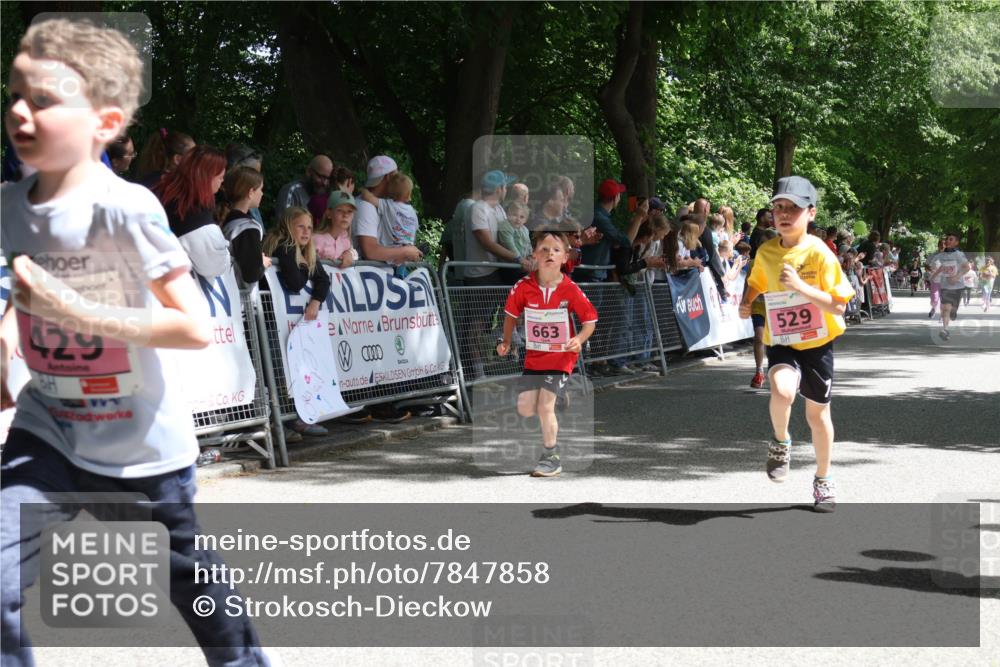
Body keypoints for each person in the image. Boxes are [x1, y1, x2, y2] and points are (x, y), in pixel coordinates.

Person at [0, 17, 274, 666]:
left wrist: (77, 310)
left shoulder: (126, 207)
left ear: (104, 121)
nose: (19, 110)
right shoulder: (10, 205)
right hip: (50, 431)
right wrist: (9, 331)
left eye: (43, 99)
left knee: (196, 588)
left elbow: (191, 325)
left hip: (140, 449)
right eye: (14, 93)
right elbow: (23, 290)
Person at [738, 176, 855, 513]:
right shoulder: (767, 250)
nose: (784, 214)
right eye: (779, 208)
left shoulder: (820, 253)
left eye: (793, 208)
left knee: (817, 416)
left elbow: (838, 305)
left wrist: (802, 288)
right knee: (782, 391)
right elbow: (756, 281)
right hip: (783, 339)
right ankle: (780, 441)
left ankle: (823, 478)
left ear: (811, 213)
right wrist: (747, 302)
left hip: (818, 342)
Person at [496, 230, 597, 477]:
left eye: (555, 250)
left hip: (562, 356)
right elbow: (510, 316)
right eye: (544, 249)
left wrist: (579, 339)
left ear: (565, 257)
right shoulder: (523, 287)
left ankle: (551, 456)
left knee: (544, 406)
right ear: (534, 255)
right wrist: (506, 341)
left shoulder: (570, 289)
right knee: (525, 407)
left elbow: (590, 320)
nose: (549, 253)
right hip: (535, 356)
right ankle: (561, 395)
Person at [263, 207, 332, 436]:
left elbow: (323, 279)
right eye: (300, 226)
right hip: (270, 320)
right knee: (277, 369)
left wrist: (315, 302)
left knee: (292, 368)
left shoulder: (306, 251)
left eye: (310, 227)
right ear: (288, 226)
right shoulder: (285, 246)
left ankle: (298, 417)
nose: (306, 232)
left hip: (289, 323)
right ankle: (281, 423)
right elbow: (294, 282)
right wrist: (303, 264)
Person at [153, 146, 231, 279]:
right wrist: (227, 252)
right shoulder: (191, 212)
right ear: (207, 177)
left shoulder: (161, 190)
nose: (222, 181)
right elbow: (212, 265)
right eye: (221, 177)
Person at [353, 155, 422, 267]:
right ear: (388, 177)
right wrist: (406, 251)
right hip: (369, 277)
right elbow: (370, 252)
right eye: (396, 175)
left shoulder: (382, 205)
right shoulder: (366, 207)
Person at [219, 165, 271, 286]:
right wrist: (262, 262)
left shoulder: (226, 220)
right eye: (260, 189)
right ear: (251, 192)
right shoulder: (248, 227)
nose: (262, 194)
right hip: (240, 298)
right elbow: (251, 273)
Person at [747, 228, 779, 389]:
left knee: (776, 343)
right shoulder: (753, 263)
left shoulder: (782, 262)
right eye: (761, 244)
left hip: (777, 306)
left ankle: (777, 370)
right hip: (759, 306)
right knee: (759, 337)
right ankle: (759, 371)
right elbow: (748, 285)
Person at [927, 232, 972, 340]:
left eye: (951, 239)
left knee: (952, 310)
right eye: (947, 239)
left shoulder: (958, 254)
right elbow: (937, 266)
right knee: (946, 308)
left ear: (956, 243)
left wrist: (957, 277)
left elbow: (967, 267)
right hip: (945, 286)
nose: (947, 241)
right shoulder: (941, 255)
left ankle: (954, 312)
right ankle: (945, 330)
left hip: (958, 286)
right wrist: (934, 275)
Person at [358, 171, 419, 247]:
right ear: (409, 194)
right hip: (408, 250)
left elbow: (369, 198)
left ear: (390, 192)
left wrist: (364, 190)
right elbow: (415, 229)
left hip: (390, 251)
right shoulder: (412, 212)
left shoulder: (388, 205)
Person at [313, 191, 358, 267]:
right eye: (340, 210)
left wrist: (349, 254)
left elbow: (355, 254)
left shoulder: (345, 237)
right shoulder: (316, 239)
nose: (345, 215)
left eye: (349, 211)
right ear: (329, 213)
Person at [498, 201, 532, 284]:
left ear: (526, 220)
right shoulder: (505, 226)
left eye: (522, 217)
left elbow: (528, 245)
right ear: (508, 214)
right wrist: (522, 260)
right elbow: (509, 245)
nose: (518, 219)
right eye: (514, 215)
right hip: (509, 266)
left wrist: (531, 256)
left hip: (522, 266)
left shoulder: (524, 229)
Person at [925, 238, 945, 318]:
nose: (942, 246)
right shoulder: (933, 255)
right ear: (938, 245)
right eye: (941, 244)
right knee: (935, 298)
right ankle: (933, 308)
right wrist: (930, 270)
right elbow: (926, 265)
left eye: (944, 244)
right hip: (935, 279)